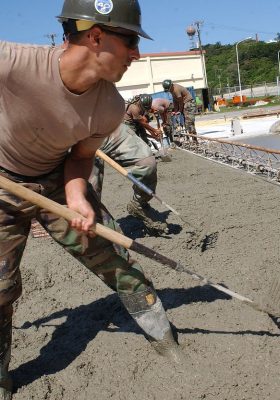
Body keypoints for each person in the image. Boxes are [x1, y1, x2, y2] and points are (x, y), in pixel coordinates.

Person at [0, 1, 180, 397]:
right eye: (130, 40)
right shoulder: (13, 62)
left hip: (53, 179)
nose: (137, 53)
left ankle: (169, 346)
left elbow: (80, 157)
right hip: (3, 186)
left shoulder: (110, 106)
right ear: (96, 36)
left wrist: (77, 196)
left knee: (118, 260)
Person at [90, 95, 168, 235]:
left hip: (106, 122)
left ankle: (139, 204)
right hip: (70, 132)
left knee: (147, 162)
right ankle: (97, 228)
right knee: (89, 193)